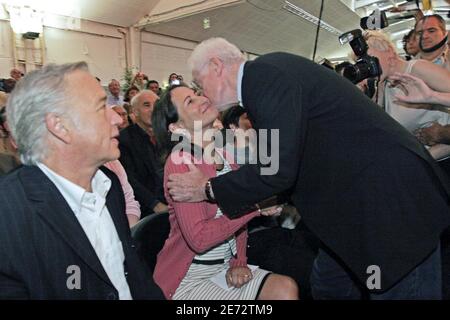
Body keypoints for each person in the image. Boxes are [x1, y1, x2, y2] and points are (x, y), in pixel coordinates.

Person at [166, 37, 450, 299]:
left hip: (386, 204)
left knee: (401, 288)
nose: (202, 93)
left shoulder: (264, 78)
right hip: (354, 204)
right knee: (329, 284)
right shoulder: (264, 77)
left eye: (198, 83)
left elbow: (275, 169)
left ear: (216, 66)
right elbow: (293, 158)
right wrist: (267, 199)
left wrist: (207, 188)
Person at [0, 62, 164, 299]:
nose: (118, 119)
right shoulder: (9, 216)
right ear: (60, 126)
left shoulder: (107, 183)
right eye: (100, 107)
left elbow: (134, 276)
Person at [151, 84, 299, 300]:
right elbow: (199, 239)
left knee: (286, 288)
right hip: (187, 280)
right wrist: (256, 208)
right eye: (189, 101)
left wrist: (239, 260)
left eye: (197, 94)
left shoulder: (224, 155)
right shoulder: (180, 162)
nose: (201, 99)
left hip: (222, 268)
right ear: (175, 127)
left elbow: (236, 217)